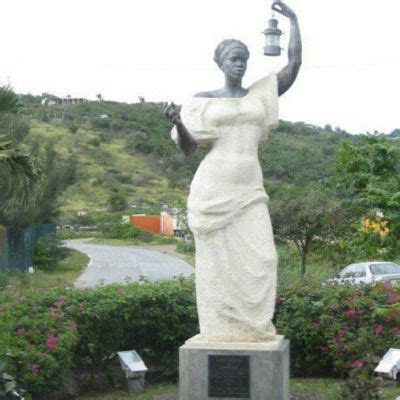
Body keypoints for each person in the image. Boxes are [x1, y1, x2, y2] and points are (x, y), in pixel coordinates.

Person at [163, 1, 302, 342]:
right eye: (233, 59)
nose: (239, 64)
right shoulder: (202, 100)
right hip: (214, 188)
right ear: (220, 63)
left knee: (264, 259)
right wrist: (179, 122)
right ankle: (220, 328)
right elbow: (188, 148)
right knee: (216, 266)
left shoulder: (260, 95)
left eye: (243, 59)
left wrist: (295, 22)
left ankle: (253, 329)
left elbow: (294, 64)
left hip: (250, 189)